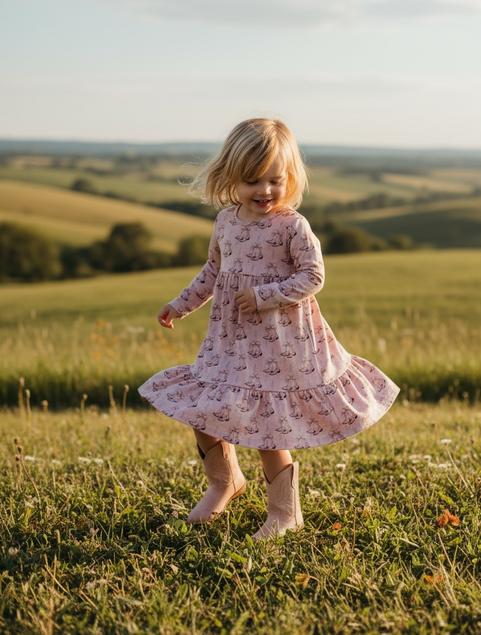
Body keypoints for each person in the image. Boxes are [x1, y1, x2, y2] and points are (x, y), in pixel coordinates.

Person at [138, 118, 400, 539]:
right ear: (230, 178)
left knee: (267, 425)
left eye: (274, 180)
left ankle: (285, 512)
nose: (264, 190)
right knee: (202, 409)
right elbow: (212, 272)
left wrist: (265, 295)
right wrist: (179, 305)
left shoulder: (292, 226)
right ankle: (225, 483)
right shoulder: (226, 221)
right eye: (252, 180)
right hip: (228, 341)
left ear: (290, 177)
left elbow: (313, 276)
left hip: (280, 342)